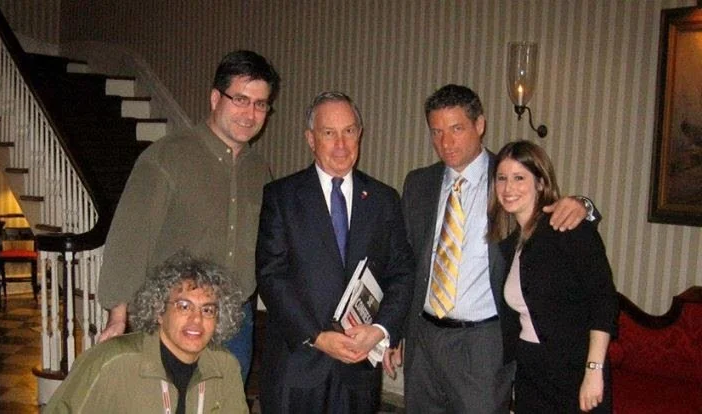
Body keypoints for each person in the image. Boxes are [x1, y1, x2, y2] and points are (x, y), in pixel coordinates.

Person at [393, 84, 597, 413]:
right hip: (424, 337)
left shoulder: (506, 180)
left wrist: (584, 206)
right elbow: (405, 264)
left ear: (480, 125)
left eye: (456, 129)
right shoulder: (418, 184)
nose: (446, 143)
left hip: (482, 343)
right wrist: (398, 332)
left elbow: (551, 212)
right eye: (437, 131)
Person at [97, 50, 280, 382]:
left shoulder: (260, 170)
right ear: (215, 98)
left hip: (235, 322)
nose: (250, 113)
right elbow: (129, 239)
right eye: (240, 99)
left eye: (260, 104)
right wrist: (117, 315)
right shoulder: (167, 157)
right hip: (174, 319)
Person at [255, 91, 414, 413]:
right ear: (311, 139)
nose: (341, 144)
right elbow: (272, 276)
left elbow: (401, 271)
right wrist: (317, 336)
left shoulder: (384, 199)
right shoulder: (281, 197)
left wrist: (380, 331)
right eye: (329, 133)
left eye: (349, 131)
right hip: (297, 366)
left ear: (360, 134)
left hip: (358, 369)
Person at [487, 140, 617, 412]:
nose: (508, 188)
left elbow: (603, 301)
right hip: (531, 371)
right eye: (502, 178)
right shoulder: (510, 244)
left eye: (519, 178)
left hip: (574, 370)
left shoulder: (568, 229)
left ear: (540, 183)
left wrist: (594, 371)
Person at [45, 250, 248, 413]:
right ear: (159, 310)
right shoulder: (112, 362)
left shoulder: (225, 367)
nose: (197, 319)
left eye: (208, 310)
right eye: (184, 306)